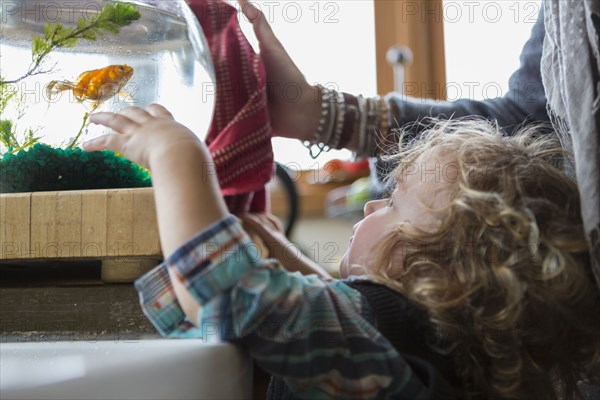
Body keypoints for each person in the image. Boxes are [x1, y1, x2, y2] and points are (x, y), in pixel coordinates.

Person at [81, 103, 600, 399]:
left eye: (394, 206)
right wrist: (283, 253)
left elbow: (227, 296)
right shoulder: (437, 355)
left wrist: (176, 153)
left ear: (442, 280)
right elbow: (338, 320)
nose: (372, 210)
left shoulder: (384, 327)